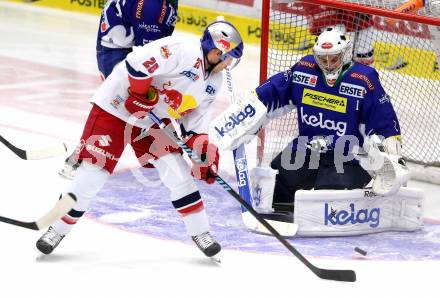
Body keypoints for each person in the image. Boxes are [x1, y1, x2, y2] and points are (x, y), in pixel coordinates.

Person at [36, 20, 244, 259]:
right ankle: (56, 228)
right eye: (229, 57)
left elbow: (194, 123)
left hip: (152, 119)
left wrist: (203, 150)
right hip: (116, 107)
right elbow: (137, 64)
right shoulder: (182, 49)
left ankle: (201, 232)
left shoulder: (213, 82)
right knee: (92, 177)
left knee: (178, 173)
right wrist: (138, 93)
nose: (230, 64)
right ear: (217, 51)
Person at [252, 27, 404, 213]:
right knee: (276, 186)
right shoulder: (304, 70)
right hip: (308, 149)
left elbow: (384, 121)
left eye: (334, 58)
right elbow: (274, 91)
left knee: (331, 199)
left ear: (345, 54)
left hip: (349, 156)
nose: (329, 64)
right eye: (323, 59)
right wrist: (248, 108)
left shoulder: (364, 79)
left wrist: (390, 156)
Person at [59, 0, 178, 179]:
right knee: (125, 106)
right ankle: (82, 155)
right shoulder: (153, 6)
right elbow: (149, 56)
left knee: (140, 107)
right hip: (117, 53)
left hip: (120, 46)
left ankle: (158, 156)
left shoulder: (159, 5)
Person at [300, 3, 374, 66]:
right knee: (330, 48)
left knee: (364, 55)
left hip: (358, 8)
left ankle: (364, 78)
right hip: (329, 7)